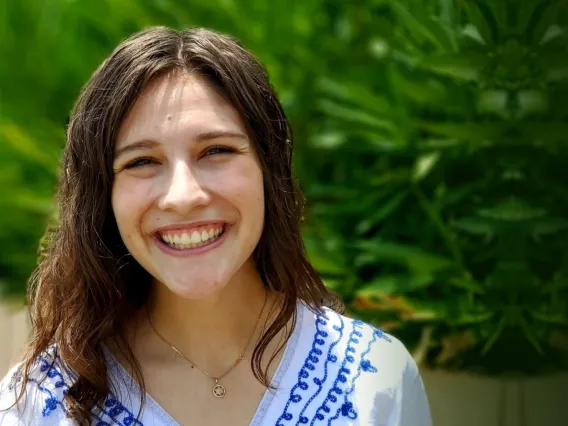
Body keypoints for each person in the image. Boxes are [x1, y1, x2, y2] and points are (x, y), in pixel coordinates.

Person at [0, 27, 432, 426]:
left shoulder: (375, 378)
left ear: (268, 168)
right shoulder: (41, 403)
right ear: (103, 197)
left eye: (216, 151)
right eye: (142, 162)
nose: (184, 196)